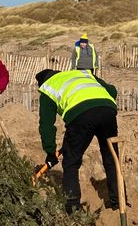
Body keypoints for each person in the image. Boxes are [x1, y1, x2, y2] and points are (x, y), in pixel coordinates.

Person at [35, 68, 120, 214]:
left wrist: (50, 152)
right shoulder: (82, 73)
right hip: (107, 110)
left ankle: (72, 206)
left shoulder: (48, 87)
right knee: (112, 158)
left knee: (71, 162)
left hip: (81, 117)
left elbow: (46, 125)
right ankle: (118, 201)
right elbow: (112, 91)